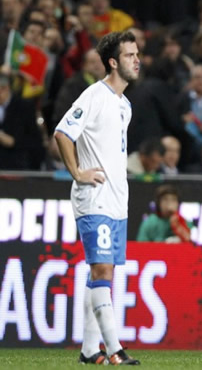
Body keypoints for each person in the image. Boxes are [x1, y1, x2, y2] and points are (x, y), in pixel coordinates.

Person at [53, 31, 140, 365]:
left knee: (105, 273)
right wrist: (77, 173)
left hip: (118, 200)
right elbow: (62, 132)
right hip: (94, 197)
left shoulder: (124, 105)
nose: (137, 60)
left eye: (138, 54)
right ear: (114, 62)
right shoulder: (95, 95)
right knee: (101, 268)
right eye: (130, 55)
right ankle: (114, 348)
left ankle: (90, 350)